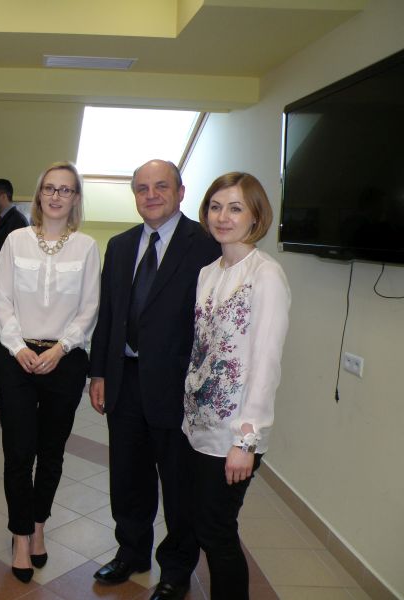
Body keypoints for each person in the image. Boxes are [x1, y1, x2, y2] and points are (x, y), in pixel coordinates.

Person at [89, 159, 220, 600]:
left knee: (179, 484)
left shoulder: (205, 245)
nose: (151, 195)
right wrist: (98, 372)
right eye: (142, 188)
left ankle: (177, 567)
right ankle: (131, 552)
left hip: (178, 386)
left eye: (161, 186)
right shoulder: (120, 245)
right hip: (124, 380)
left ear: (180, 192)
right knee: (128, 476)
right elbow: (109, 315)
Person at [183, 173, 290, 599]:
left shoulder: (265, 275)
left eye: (235, 208)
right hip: (199, 426)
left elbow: (266, 362)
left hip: (235, 433)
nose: (222, 217)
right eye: (215, 207)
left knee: (217, 531)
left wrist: (246, 440)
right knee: (205, 524)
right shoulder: (208, 272)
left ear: (256, 216)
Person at [0, 162, 100, 583]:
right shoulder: (15, 240)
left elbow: (90, 308)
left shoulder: (86, 247)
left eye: (65, 190)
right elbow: (3, 299)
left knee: (51, 452)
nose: (56, 196)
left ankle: (39, 525)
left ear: (75, 199)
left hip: (65, 359)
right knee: (19, 452)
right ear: (38, 195)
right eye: (49, 188)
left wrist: (60, 348)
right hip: (17, 356)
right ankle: (20, 535)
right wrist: (18, 347)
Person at [0, 178, 29, 407]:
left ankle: (6, 390)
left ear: (3, 196)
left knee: (3, 341)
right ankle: (2, 385)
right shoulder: (2, 220)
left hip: (8, 292)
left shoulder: (17, 222)